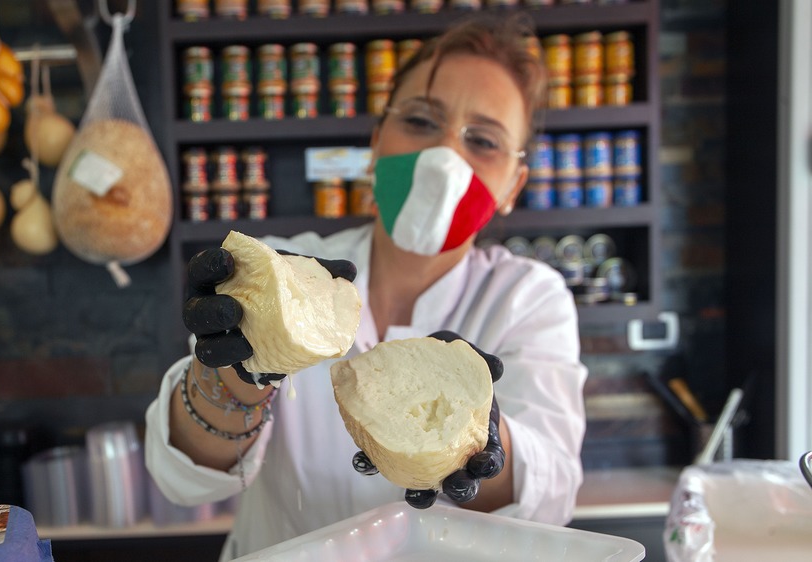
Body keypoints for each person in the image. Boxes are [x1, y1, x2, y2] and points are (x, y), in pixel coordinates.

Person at [145, 13, 587, 560]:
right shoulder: (281, 271)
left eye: (483, 140)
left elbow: (552, 498)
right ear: (377, 142)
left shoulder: (527, 296)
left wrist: (477, 439)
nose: (444, 159)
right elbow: (187, 482)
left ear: (514, 185)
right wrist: (238, 375)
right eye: (423, 122)